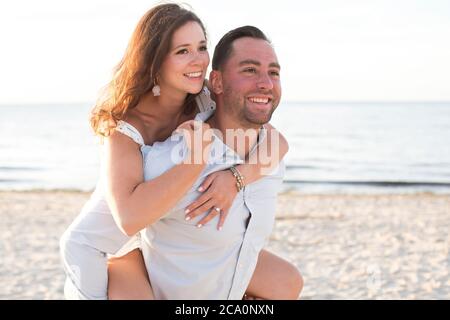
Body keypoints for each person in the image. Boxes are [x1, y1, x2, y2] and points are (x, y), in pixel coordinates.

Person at [59, 3, 300, 300]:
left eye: (201, 47)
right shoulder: (124, 130)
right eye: (182, 51)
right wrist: (196, 161)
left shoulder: (202, 95)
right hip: (99, 244)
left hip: (164, 228)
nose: (198, 60)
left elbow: (277, 142)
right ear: (156, 60)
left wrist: (236, 177)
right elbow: (128, 218)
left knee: (286, 281)